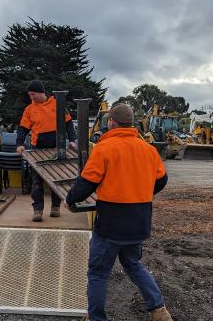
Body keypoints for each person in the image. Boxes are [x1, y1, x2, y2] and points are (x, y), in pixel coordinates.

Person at [66, 103, 172, 321]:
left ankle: (96, 318)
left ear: (111, 122)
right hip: (139, 221)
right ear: (131, 123)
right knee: (133, 264)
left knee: (98, 272)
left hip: (111, 224)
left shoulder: (104, 148)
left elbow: (87, 183)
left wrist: (70, 199)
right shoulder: (148, 150)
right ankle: (159, 310)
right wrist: (141, 192)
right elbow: (161, 180)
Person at [16, 80, 77, 222]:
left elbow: (68, 124)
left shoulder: (57, 104)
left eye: (33, 94)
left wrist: (73, 140)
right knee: (36, 181)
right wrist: (19, 144)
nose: (32, 97)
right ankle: (38, 210)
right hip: (38, 148)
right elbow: (23, 128)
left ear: (41, 92)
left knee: (56, 178)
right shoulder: (30, 109)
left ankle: (55, 207)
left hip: (57, 148)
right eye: (30, 95)